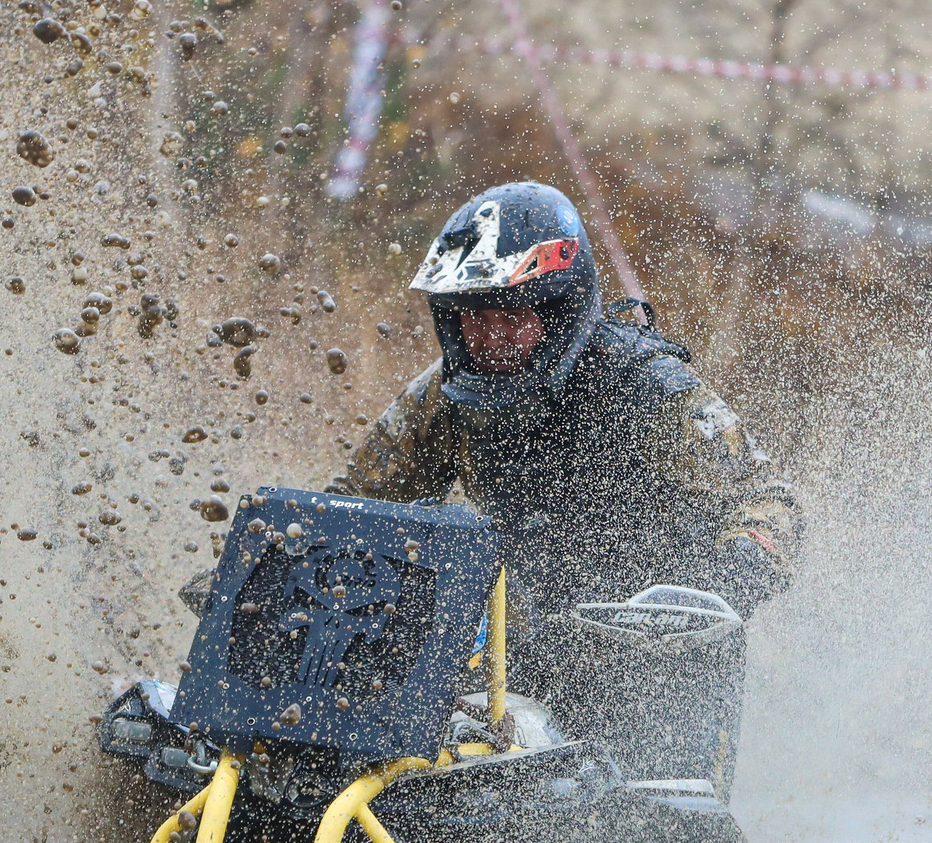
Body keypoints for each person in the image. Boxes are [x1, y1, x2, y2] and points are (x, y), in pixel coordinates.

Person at [332, 180, 801, 786]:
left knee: (649, 836)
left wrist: (729, 576)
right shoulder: (446, 393)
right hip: (507, 644)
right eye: (474, 316)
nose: (490, 335)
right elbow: (353, 503)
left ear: (560, 310)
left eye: (511, 315)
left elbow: (769, 505)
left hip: (651, 656)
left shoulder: (652, 387)